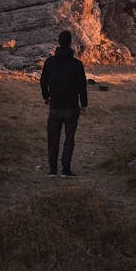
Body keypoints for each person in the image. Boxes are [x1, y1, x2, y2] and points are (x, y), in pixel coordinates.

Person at [40, 30, 88, 177]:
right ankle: (66, 169)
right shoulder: (77, 64)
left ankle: (52, 170)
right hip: (72, 107)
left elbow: (43, 82)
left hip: (55, 106)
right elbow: (82, 86)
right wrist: (84, 104)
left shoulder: (50, 62)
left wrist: (46, 97)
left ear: (59, 43)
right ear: (70, 43)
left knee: (53, 139)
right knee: (69, 139)